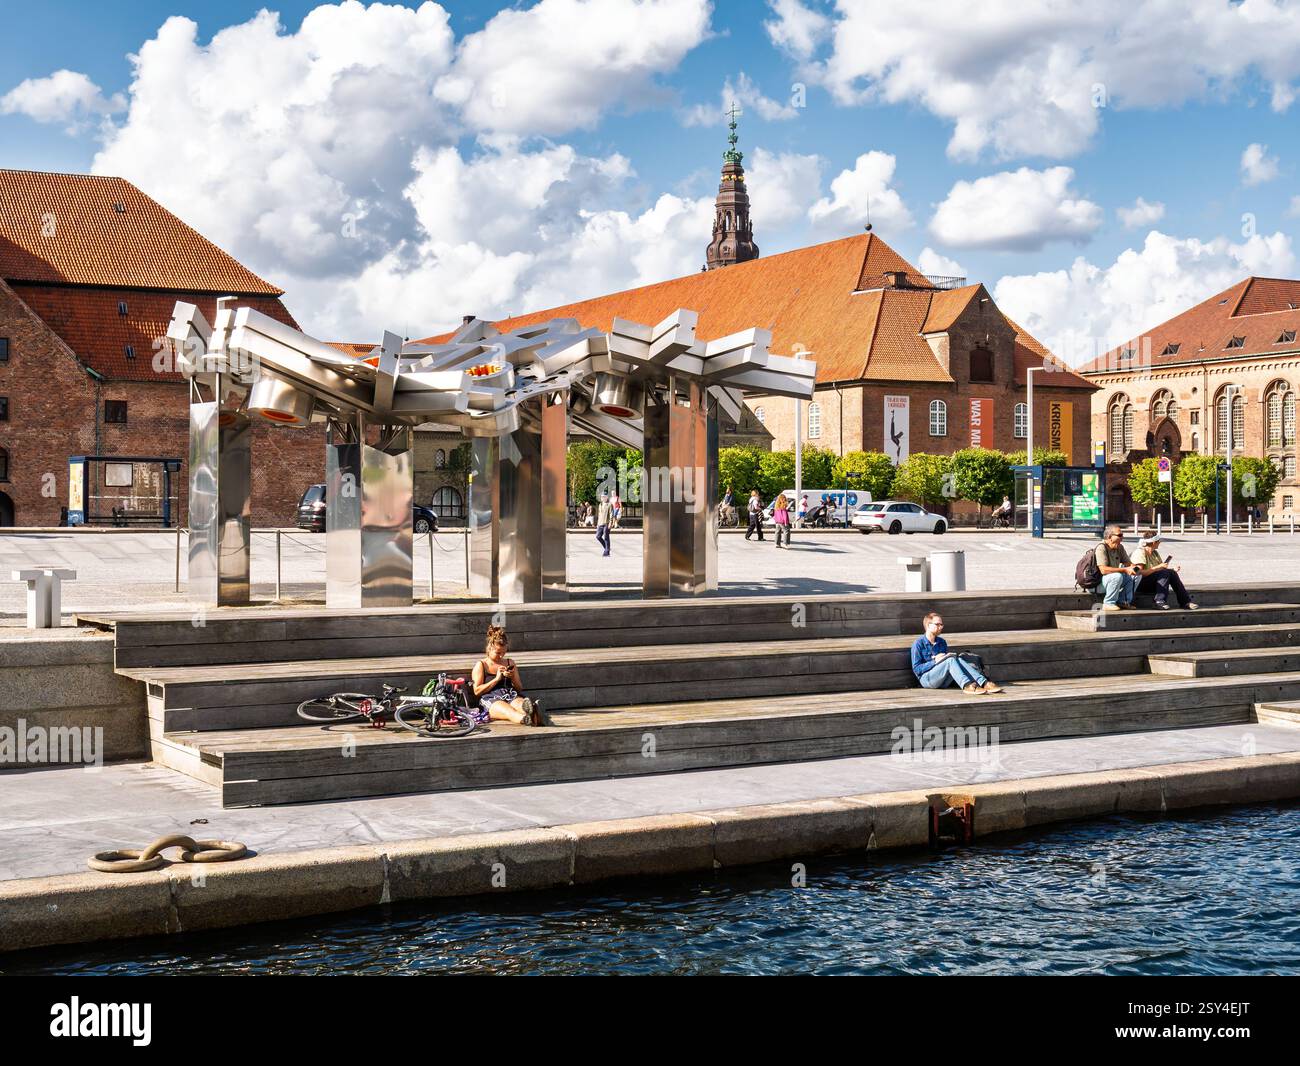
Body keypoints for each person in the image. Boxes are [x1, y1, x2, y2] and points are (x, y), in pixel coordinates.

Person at [911, 612, 1002, 694]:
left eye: (941, 625)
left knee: (956, 659)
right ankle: (967, 686)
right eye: (937, 624)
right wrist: (935, 661)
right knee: (950, 660)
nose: (941, 627)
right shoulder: (918, 644)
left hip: (943, 680)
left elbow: (947, 666)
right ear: (928, 625)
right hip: (927, 679)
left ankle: (984, 683)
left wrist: (944, 659)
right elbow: (917, 669)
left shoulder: (942, 642)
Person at [471, 624, 544, 726]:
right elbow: (477, 691)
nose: (501, 656)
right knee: (509, 711)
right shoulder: (482, 665)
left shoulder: (510, 662)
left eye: (504, 652)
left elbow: (519, 688)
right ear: (490, 648)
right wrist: (496, 679)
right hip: (490, 698)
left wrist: (513, 677)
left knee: (520, 705)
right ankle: (529, 719)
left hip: (509, 694)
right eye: (498, 652)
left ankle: (534, 714)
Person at [1133, 530, 1198, 610]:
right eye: (1159, 541)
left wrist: (1171, 570)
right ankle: (1159, 601)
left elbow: (1160, 570)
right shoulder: (1140, 552)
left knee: (1171, 573)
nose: (1160, 543)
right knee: (1165, 572)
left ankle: (1185, 602)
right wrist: (1158, 567)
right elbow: (1139, 573)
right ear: (1154, 542)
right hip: (1140, 584)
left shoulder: (1155, 553)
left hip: (1153, 582)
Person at [1095, 524, 1140, 611]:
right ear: (1109, 537)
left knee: (1136, 575)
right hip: (1097, 583)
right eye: (1119, 535)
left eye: (1122, 535)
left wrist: (1135, 568)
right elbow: (1103, 570)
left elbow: (1128, 563)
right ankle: (1108, 603)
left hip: (1111, 581)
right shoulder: (1101, 547)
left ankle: (1123, 601)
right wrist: (1124, 569)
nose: (1122, 538)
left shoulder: (1119, 547)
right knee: (1117, 576)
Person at [595, 491, 612, 556]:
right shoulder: (600, 504)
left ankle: (607, 552)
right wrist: (597, 524)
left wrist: (610, 523)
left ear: (607, 497)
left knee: (606, 537)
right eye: (602, 497)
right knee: (598, 536)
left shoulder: (609, 504)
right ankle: (607, 548)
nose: (603, 498)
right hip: (600, 523)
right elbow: (599, 514)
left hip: (606, 523)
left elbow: (611, 514)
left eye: (604, 497)